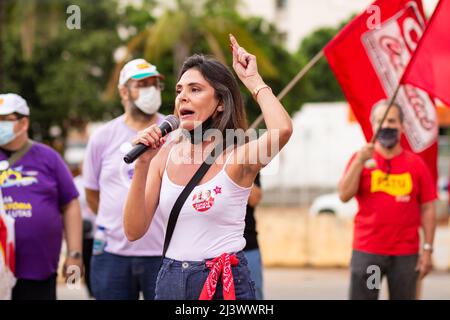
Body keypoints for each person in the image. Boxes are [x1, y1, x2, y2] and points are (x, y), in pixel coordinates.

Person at [124, 35, 293, 300]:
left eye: (195, 89)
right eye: (179, 90)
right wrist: (143, 165)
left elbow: (281, 130)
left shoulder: (236, 156)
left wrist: (253, 81)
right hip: (170, 280)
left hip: (222, 283)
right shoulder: (162, 156)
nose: (183, 98)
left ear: (220, 103)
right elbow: (133, 231)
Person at [83, 59, 166, 300]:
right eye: (142, 84)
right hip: (112, 254)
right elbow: (92, 193)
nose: (151, 90)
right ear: (123, 91)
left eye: (154, 84)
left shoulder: (175, 133)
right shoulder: (102, 137)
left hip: (163, 253)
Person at [338, 100, 437, 300]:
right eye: (380, 121)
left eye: (392, 121)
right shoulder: (361, 160)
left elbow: (428, 208)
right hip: (369, 254)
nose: (386, 126)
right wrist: (359, 161)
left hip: (405, 255)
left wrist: (427, 250)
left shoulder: (415, 164)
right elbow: (344, 195)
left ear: (402, 126)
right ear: (373, 125)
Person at [0, 93, 82, 300]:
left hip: (39, 272)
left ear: (24, 122)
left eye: (4, 120)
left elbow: (71, 204)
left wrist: (74, 254)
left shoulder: (48, 157)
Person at [73, 162, 96, 298]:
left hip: (98, 230)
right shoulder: (75, 183)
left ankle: (97, 288)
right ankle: (90, 291)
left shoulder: (96, 180)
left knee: (96, 263)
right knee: (86, 261)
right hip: (83, 230)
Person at [244, 173, 264, 300]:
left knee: (254, 294)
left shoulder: (247, 164)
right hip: (213, 247)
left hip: (248, 245)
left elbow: (255, 199)